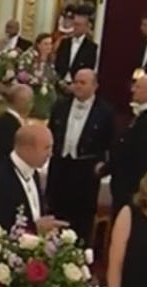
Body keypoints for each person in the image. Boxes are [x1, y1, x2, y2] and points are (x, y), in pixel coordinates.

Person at [0, 123, 65, 239]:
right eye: (46, 148)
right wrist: (34, 228)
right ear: (28, 149)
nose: (50, 154)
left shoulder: (34, 175)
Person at [48, 69, 114, 240]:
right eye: (75, 82)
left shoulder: (105, 111)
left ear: (95, 86)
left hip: (86, 170)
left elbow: (110, 143)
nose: (77, 86)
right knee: (55, 210)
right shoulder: (61, 105)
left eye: (82, 83)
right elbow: (51, 132)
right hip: (60, 166)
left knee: (81, 216)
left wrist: (103, 167)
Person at [106, 73, 147, 214]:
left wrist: (108, 167)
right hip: (125, 186)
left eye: (138, 86)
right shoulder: (146, 116)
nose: (133, 89)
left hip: (131, 187)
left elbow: (135, 154)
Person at [0, 83, 32, 177]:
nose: (31, 105)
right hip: (4, 179)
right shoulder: (14, 127)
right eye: (29, 101)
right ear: (22, 102)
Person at [53, 9, 97, 82]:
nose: (75, 27)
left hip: (78, 84)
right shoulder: (64, 42)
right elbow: (57, 62)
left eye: (78, 25)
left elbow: (89, 69)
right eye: (74, 24)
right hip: (60, 82)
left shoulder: (91, 47)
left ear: (86, 27)